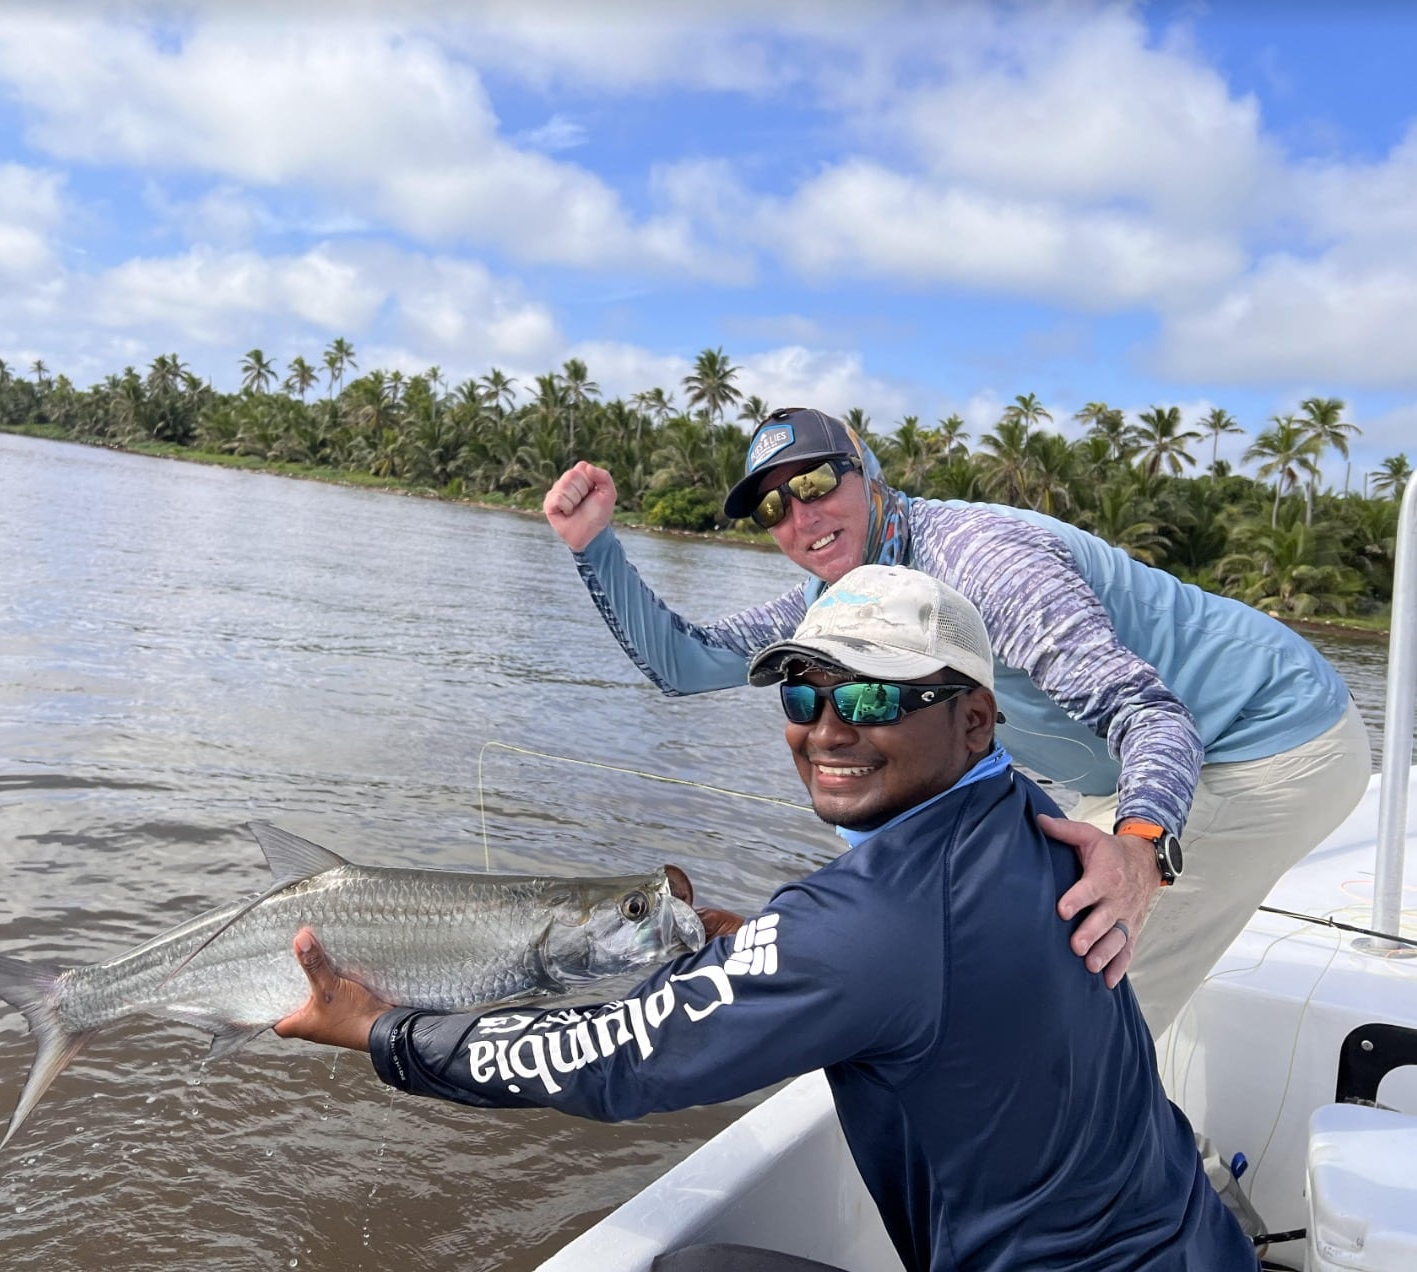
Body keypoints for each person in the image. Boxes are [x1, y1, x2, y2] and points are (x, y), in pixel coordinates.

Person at [275, 566, 1259, 1272]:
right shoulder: (1040, 825)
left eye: (874, 693)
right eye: (803, 688)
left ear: (972, 720)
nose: (827, 728)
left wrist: (380, 1030)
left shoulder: (871, 923)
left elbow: (606, 1060)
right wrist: (742, 943)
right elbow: (902, 972)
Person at [540, 407, 1370, 1037]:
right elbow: (687, 665)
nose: (801, 518)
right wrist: (593, 547)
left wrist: (1142, 853)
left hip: (1265, 740)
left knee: (1081, 984)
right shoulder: (836, 600)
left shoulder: (985, 566)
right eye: (772, 509)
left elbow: (1151, 715)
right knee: (1019, 947)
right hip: (1122, 771)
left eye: (818, 484)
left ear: (867, 470)